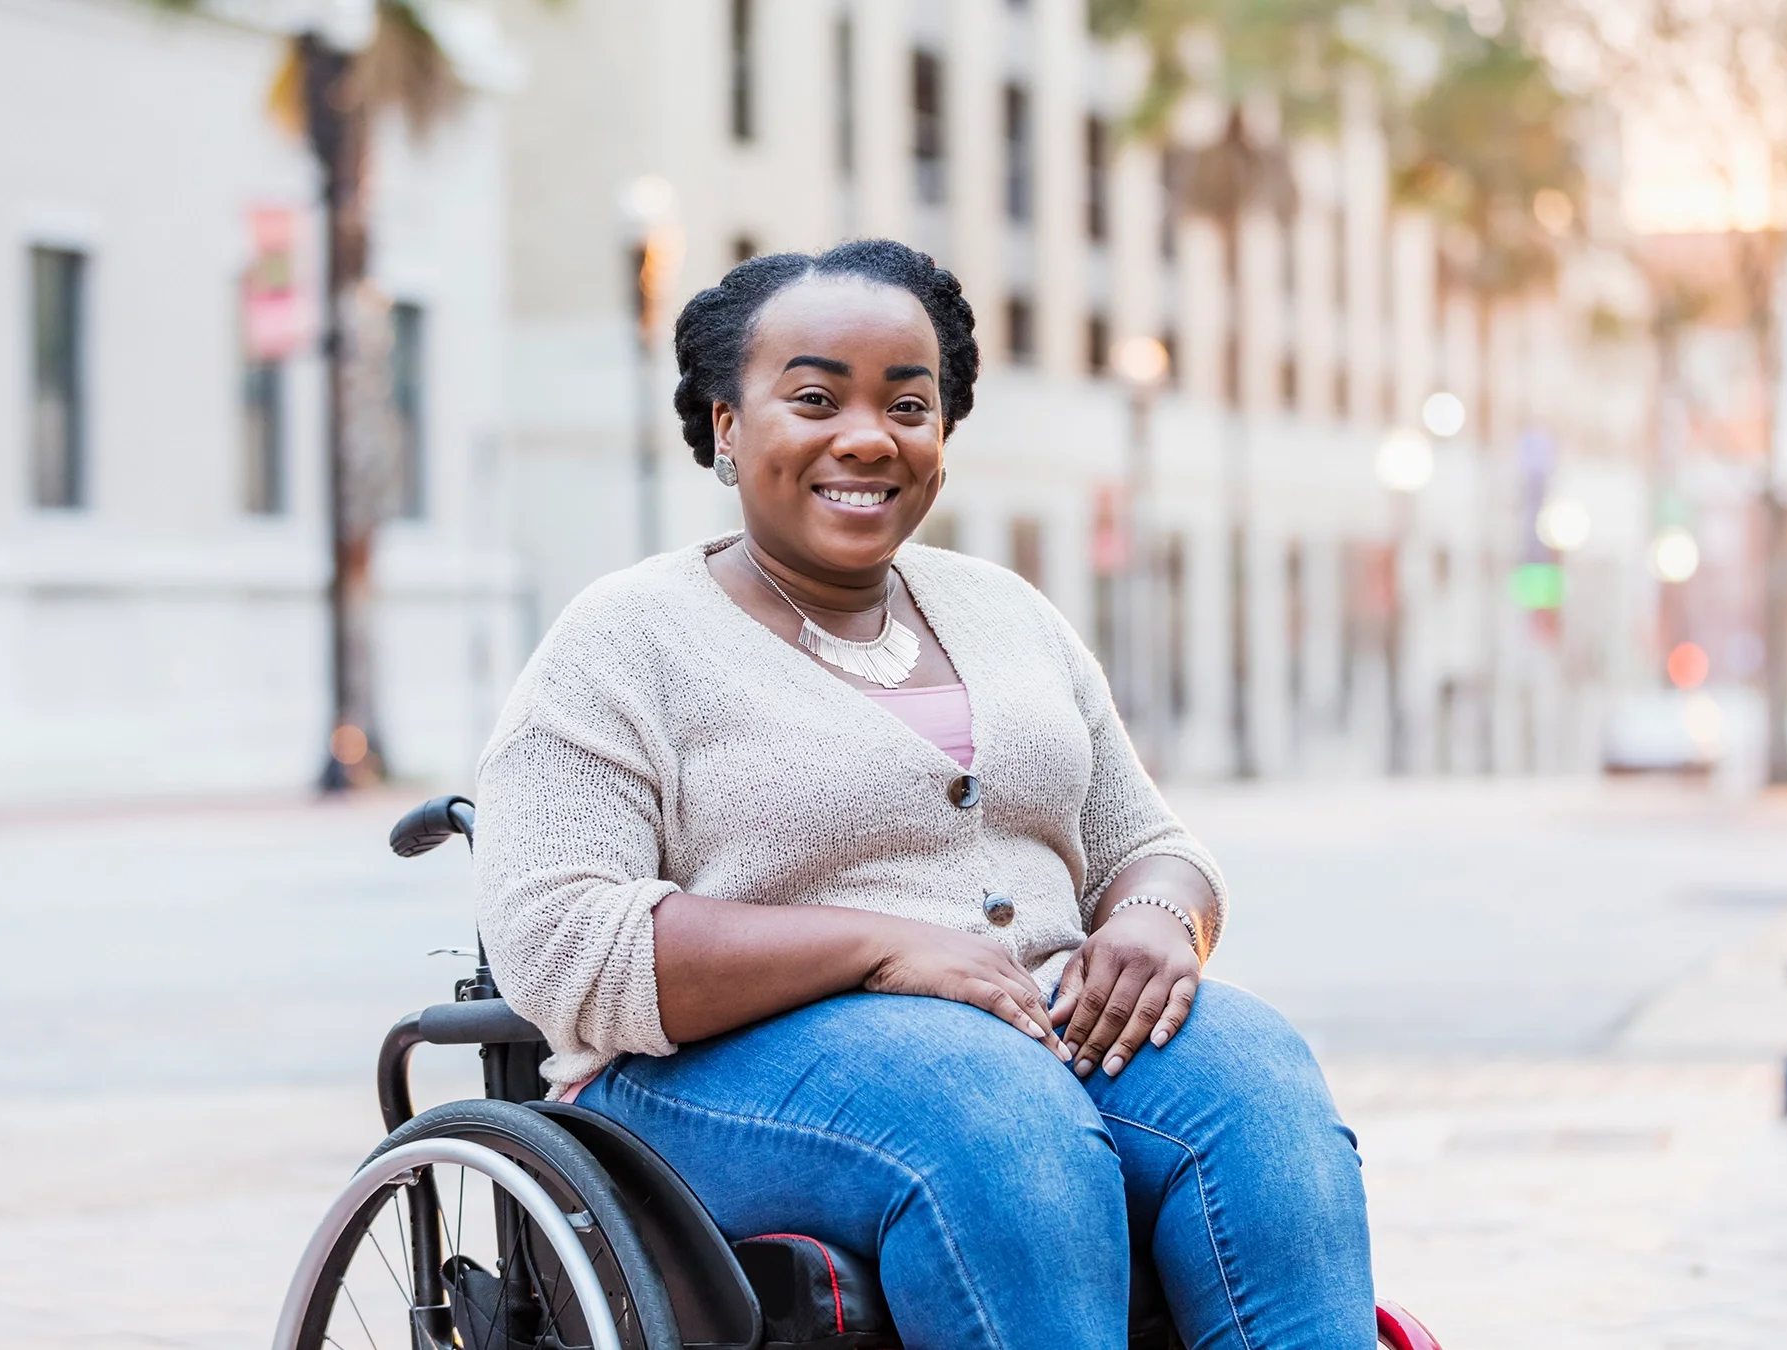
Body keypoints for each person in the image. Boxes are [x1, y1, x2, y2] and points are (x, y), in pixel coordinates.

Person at [473, 239, 1374, 1348]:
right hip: (709, 1076)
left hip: (1028, 1030)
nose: (866, 436)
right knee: (992, 1116)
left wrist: (1155, 918)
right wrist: (880, 949)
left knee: (1252, 1081)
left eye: (909, 402)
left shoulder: (1008, 613)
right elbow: (560, 939)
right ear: (726, 423)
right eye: (813, 397)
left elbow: (1148, 839)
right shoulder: (626, 637)